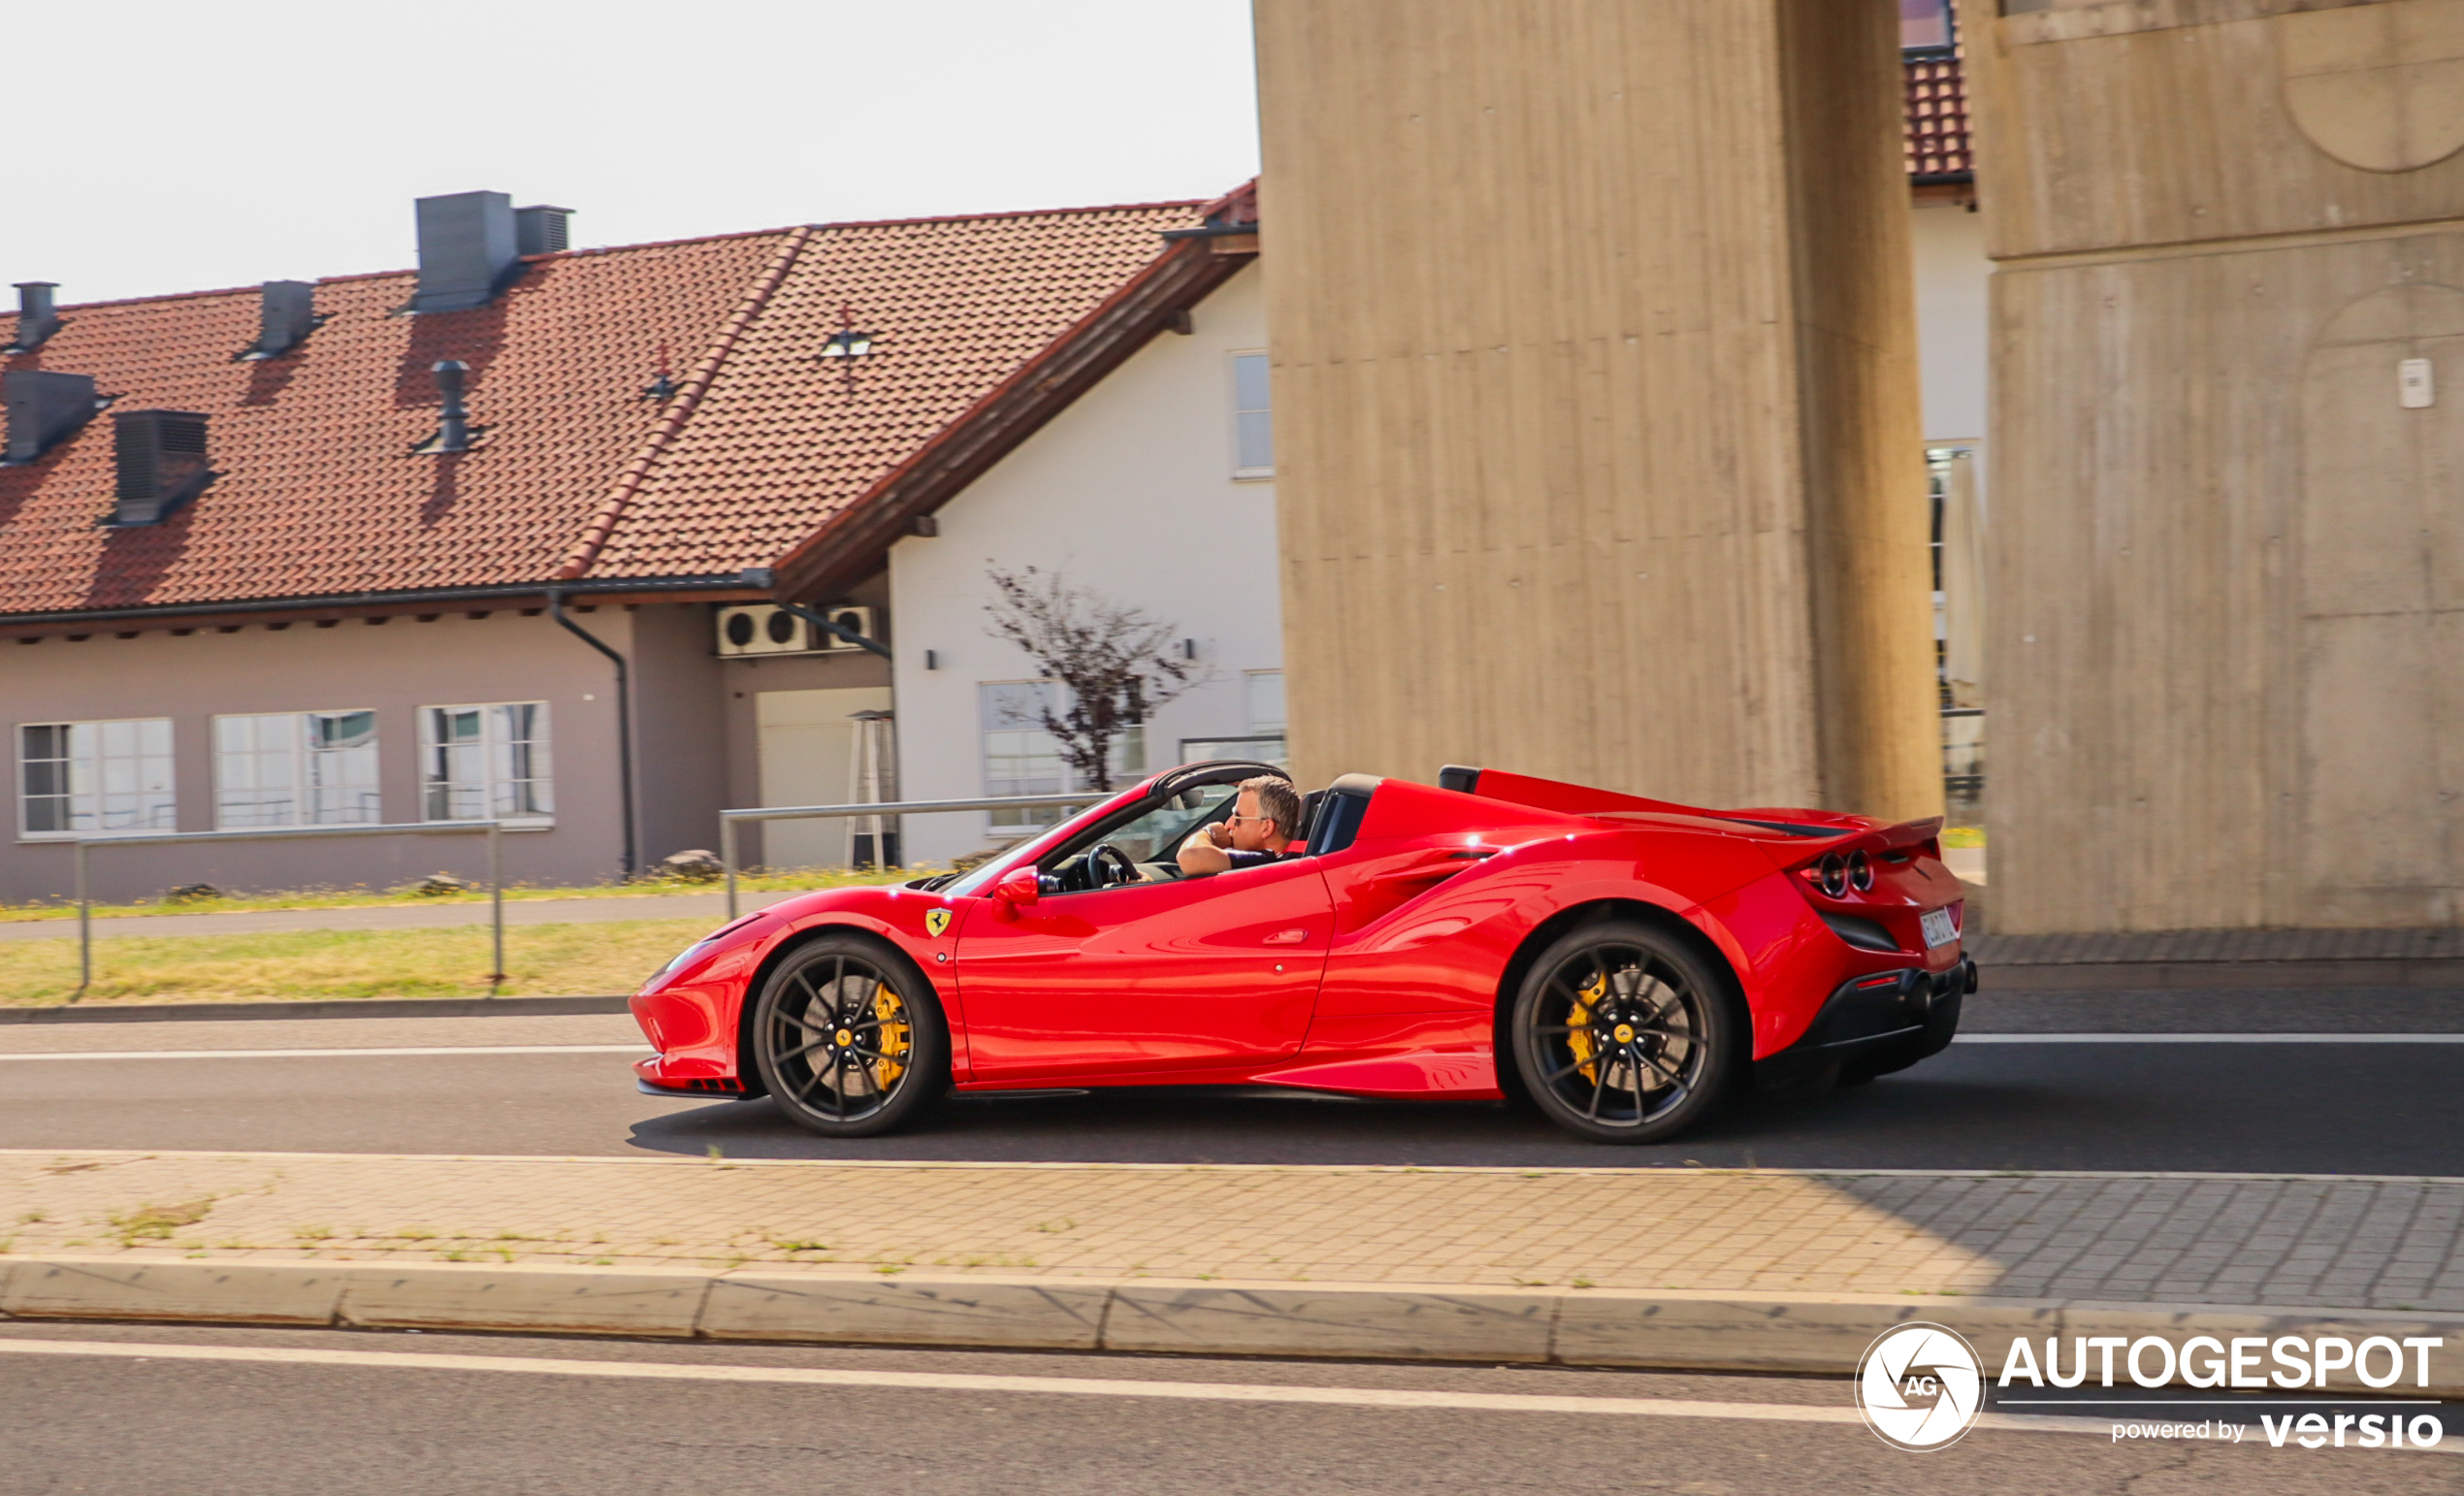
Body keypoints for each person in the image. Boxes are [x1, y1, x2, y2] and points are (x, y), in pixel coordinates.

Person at [1178, 775, 1303, 876]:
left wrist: (1209, 832)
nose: (1228, 825)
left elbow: (1190, 856)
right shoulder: (1293, 858)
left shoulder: (1269, 860)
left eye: (1237, 818)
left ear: (1266, 827)